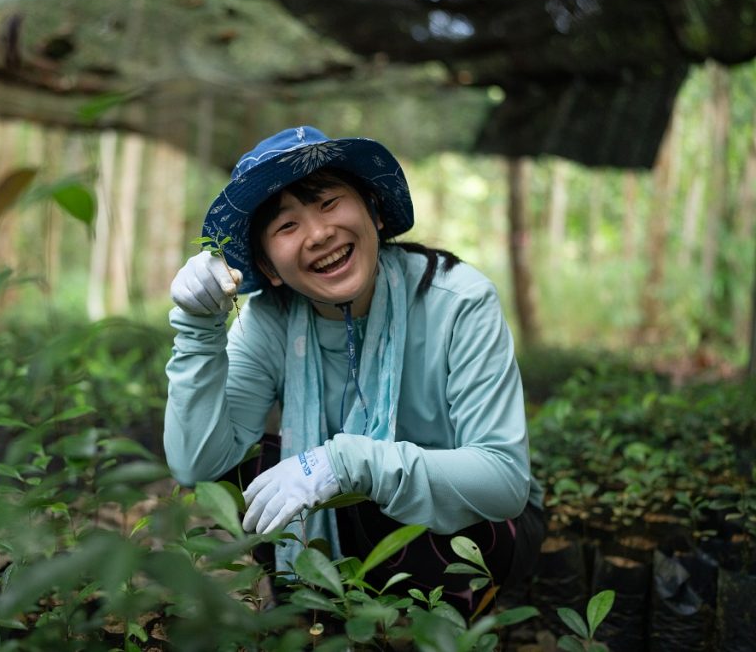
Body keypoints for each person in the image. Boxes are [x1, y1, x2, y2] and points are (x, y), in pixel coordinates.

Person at [164, 126, 545, 614]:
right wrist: (198, 329)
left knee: (368, 486)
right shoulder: (269, 319)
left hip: (480, 531)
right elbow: (198, 463)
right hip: (357, 527)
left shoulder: (459, 301)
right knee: (246, 470)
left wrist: (347, 463)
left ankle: (436, 618)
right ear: (270, 267)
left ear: (375, 211)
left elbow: (504, 481)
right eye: (286, 226)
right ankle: (318, 602)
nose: (320, 234)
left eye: (329, 204)